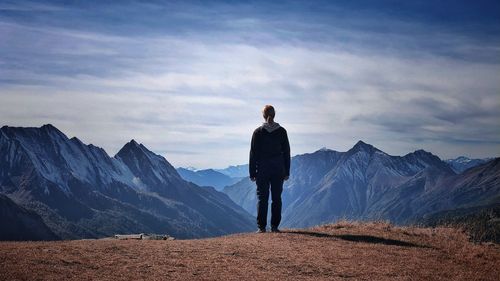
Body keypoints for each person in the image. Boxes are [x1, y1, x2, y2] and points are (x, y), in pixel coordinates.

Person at [249, 105, 291, 233]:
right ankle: (274, 226)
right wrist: (287, 171)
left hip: (262, 170)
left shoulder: (258, 132)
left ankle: (261, 227)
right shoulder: (282, 131)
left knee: (263, 198)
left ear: (263, 115)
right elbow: (286, 152)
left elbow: (253, 153)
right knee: (276, 198)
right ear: (274, 114)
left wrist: (252, 172)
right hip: (278, 169)